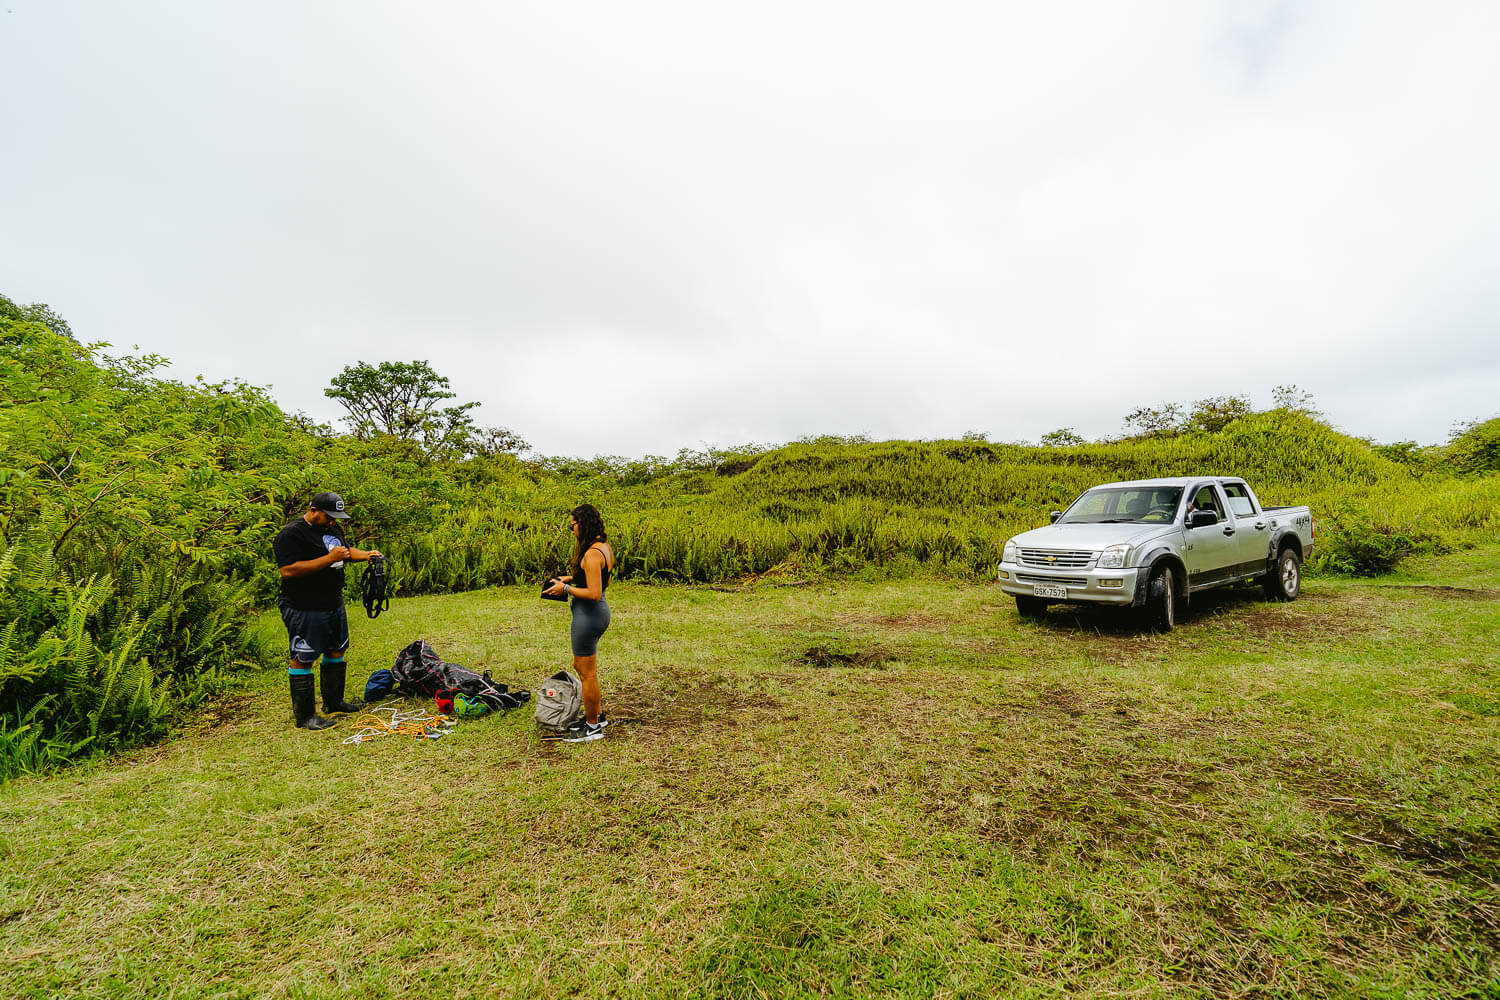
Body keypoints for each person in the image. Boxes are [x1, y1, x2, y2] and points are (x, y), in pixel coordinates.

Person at [273, 491, 383, 730]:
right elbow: (288, 571)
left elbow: (344, 551)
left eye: (336, 518)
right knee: (303, 657)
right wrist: (328, 558)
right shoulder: (291, 534)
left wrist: (366, 555)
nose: (333, 522)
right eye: (329, 517)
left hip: (332, 601)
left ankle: (334, 702)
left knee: (336, 650)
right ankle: (305, 716)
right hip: (304, 605)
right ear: (313, 510)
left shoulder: (332, 529)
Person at [543, 503, 614, 743]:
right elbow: (601, 579)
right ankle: (597, 716)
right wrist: (571, 578)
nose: (571, 530)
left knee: (587, 673)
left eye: (572, 525)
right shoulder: (603, 547)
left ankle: (593, 727)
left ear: (582, 524)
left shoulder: (592, 553)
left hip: (589, 615)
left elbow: (593, 592)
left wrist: (566, 588)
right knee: (585, 670)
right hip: (596, 614)